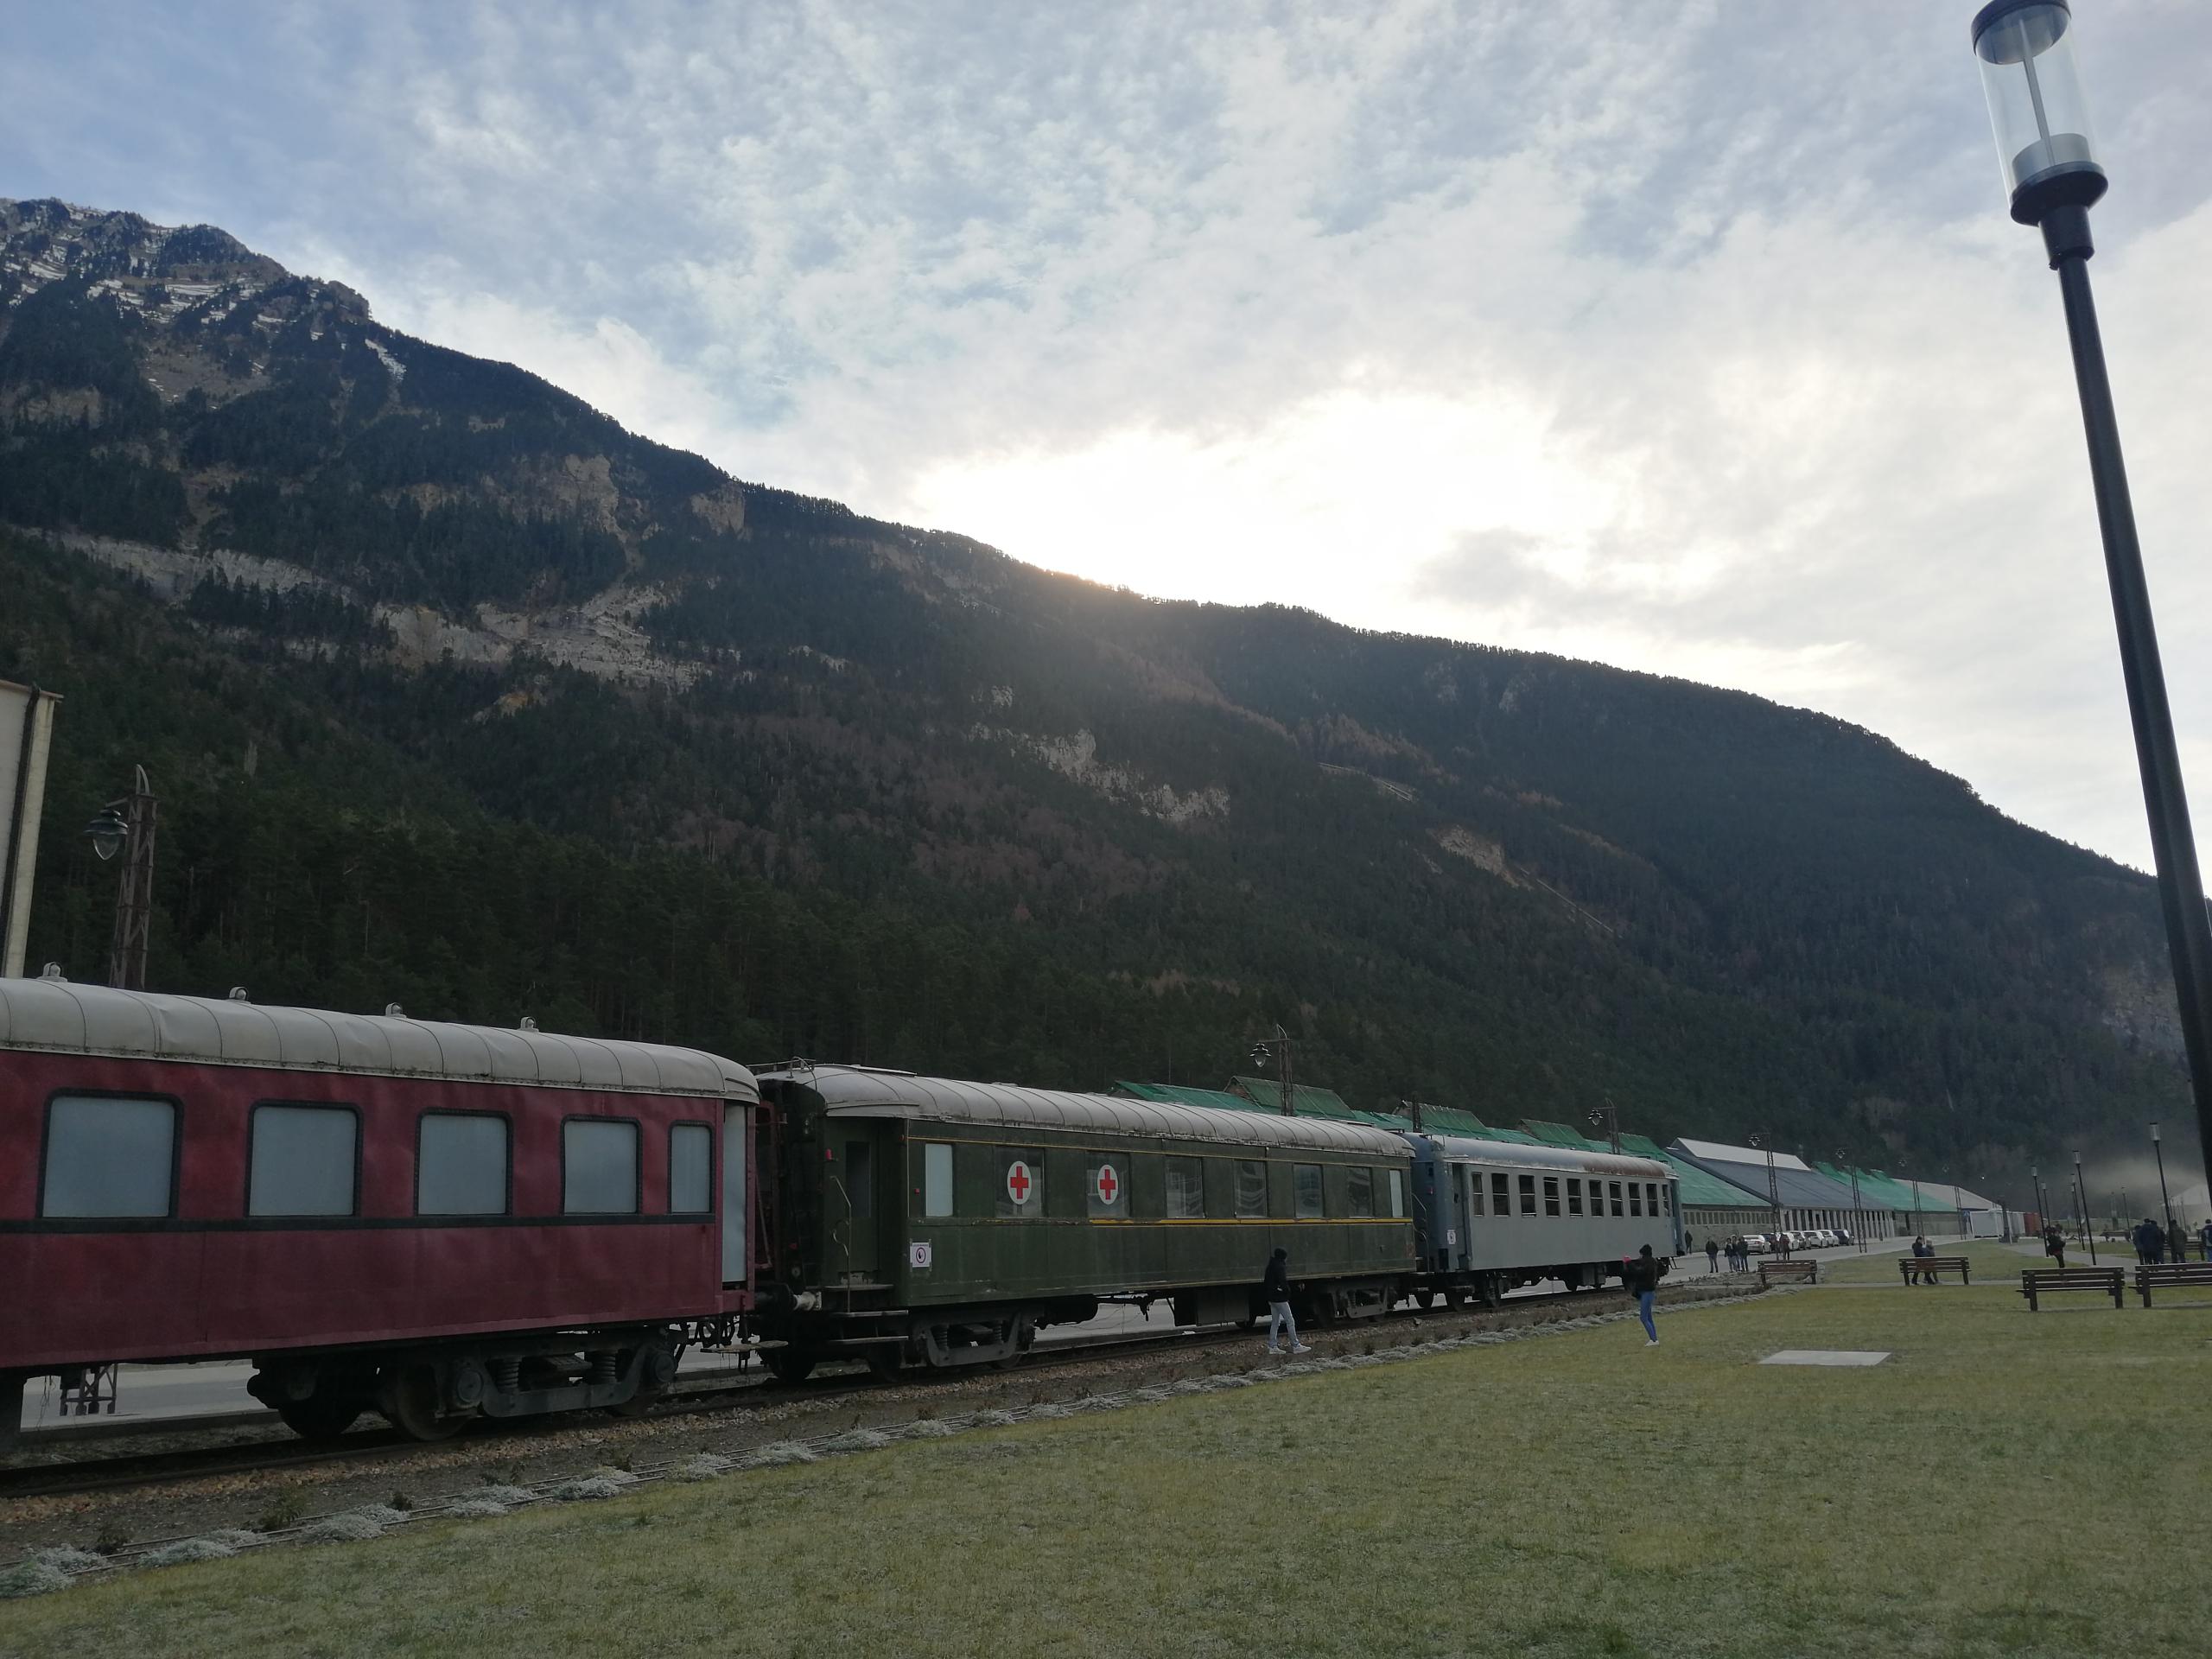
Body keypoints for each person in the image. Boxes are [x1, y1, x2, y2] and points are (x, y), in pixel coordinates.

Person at [1260, 1247, 1309, 1356]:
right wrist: (1288, 1292)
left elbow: (1267, 1282)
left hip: (1272, 1298)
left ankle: (1273, 1346)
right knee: (1290, 1321)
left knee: (1275, 1322)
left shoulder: (1270, 1266)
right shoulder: (1280, 1267)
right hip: (1280, 1298)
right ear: (1283, 1257)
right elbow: (1283, 1282)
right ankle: (1295, 1345)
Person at [1624, 1245, 1666, 1344]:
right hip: (1647, 1292)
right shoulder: (1651, 1262)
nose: (1640, 1257)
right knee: (1649, 1318)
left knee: (1643, 1318)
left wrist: (1629, 1263)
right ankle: (1654, 1339)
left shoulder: (1649, 1264)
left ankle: (1654, 1340)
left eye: (1641, 1255)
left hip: (1647, 1292)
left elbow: (1639, 1272)